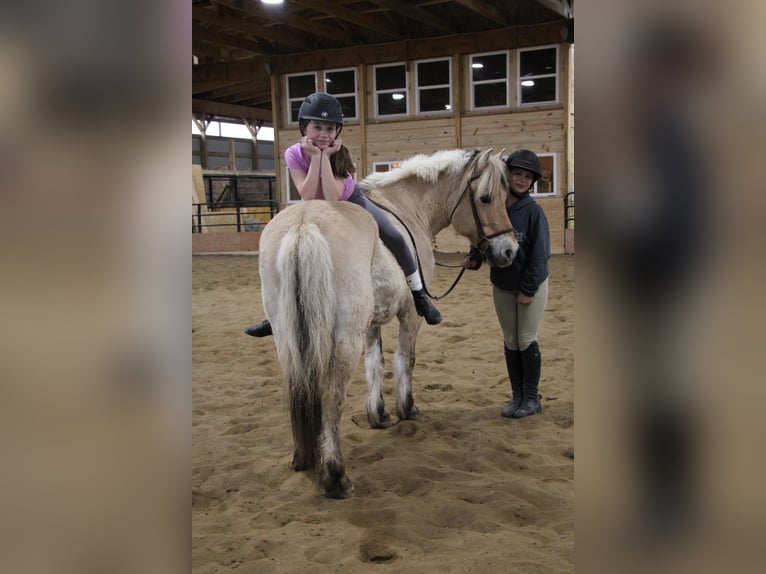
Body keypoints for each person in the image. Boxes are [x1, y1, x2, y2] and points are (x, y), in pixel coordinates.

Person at [244, 92, 441, 337]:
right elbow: (307, 194)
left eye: (329, 128)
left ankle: (419, 294)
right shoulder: (293, 153)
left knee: (394, 236)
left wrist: (325, 157)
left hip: (349, 200)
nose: (324, 134)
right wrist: (316, 157)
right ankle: (277, 315)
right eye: (317, 127)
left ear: (337, 131)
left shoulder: (341, 153)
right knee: (287, 250)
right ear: (304, 127)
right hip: (314, 205)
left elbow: (331, 197)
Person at [463, 149, 550, 418]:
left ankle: (532, 398)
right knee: (511, 341)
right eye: (517, 174)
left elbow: (541, 255)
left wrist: (528, 289)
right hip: (502, 284)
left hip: (529, 287)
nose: (522, 180)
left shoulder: (533, 212)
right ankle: (517, 396)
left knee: (526, 339)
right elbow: (485, 236)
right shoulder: (496, 206)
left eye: (527, 177)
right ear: (507, 175)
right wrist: (475, 258)